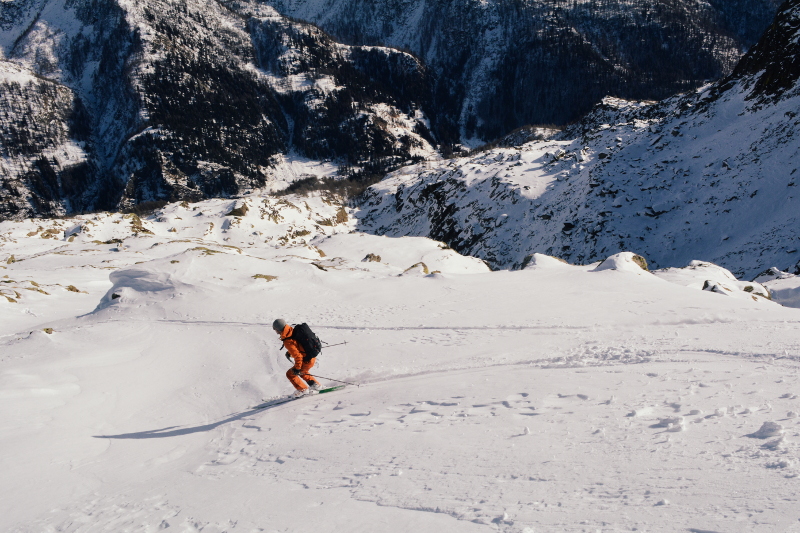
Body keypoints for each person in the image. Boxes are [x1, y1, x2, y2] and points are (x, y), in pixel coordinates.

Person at [273, 318, 321, 397]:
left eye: (275, 329)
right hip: (310, 357)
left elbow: (298, 356)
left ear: (278, 329)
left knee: (291, 374)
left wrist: (297, 368)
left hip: (306, 360)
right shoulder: (291, 331)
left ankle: (303, 390)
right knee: (303, 372)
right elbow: (298, 346)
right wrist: (290, 352)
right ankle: (316, 386)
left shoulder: (287, 340)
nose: (275, 331)